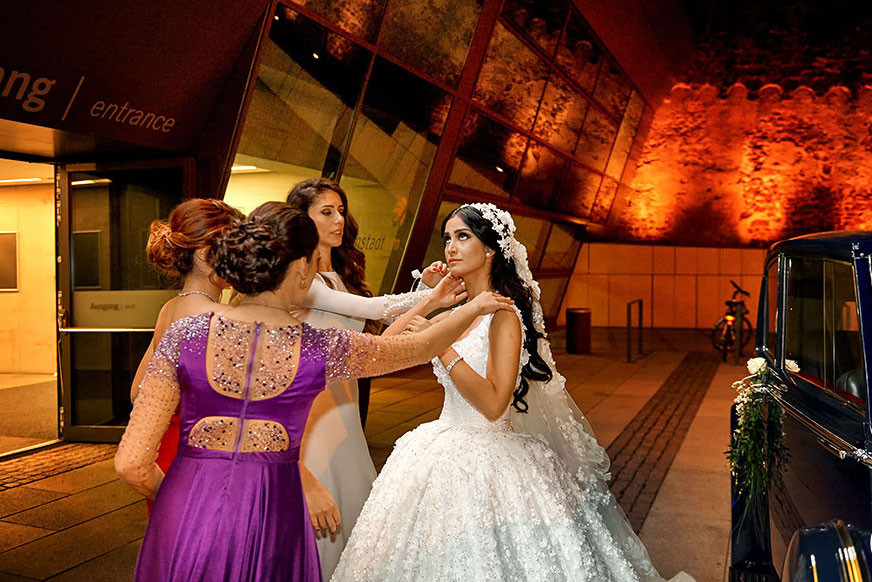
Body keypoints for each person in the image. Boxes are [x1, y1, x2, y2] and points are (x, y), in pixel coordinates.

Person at [114, 201, 513, 582]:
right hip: (272, 514)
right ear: (303, 269)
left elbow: (131, 463)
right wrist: (472, 309)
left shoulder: (184, 334)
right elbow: (410, 350)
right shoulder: (321, 346)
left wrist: (180, 501)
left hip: (182, 514)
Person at [331, 203, 696, 582]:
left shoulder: (502, 314)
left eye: (463, 237)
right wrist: (433, 301)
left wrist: (440, 346)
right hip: (437, 448)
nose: (450, 248)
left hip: (488, 457)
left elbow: (493, 404)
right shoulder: (456, 310)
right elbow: (376, 355)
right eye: (447, 239)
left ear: (490, 248)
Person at [285, 178, 449, 577]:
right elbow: (375, 306)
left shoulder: (339, 277)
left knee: (356, 519)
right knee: (325, 518)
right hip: (316, 416)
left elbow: (371, 350)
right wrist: (435, 293)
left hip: (347, 411)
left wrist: (429, 308)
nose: (339, 219)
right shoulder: (301, 283)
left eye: (341, 210)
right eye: (327, 212)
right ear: (301, 220)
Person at [130, 198, 244, 512]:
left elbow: (137, 390)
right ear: (204, 253)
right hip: (206, 457)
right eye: (234, 247)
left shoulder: (169, 309)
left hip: (168, 448)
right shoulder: (221, 318)